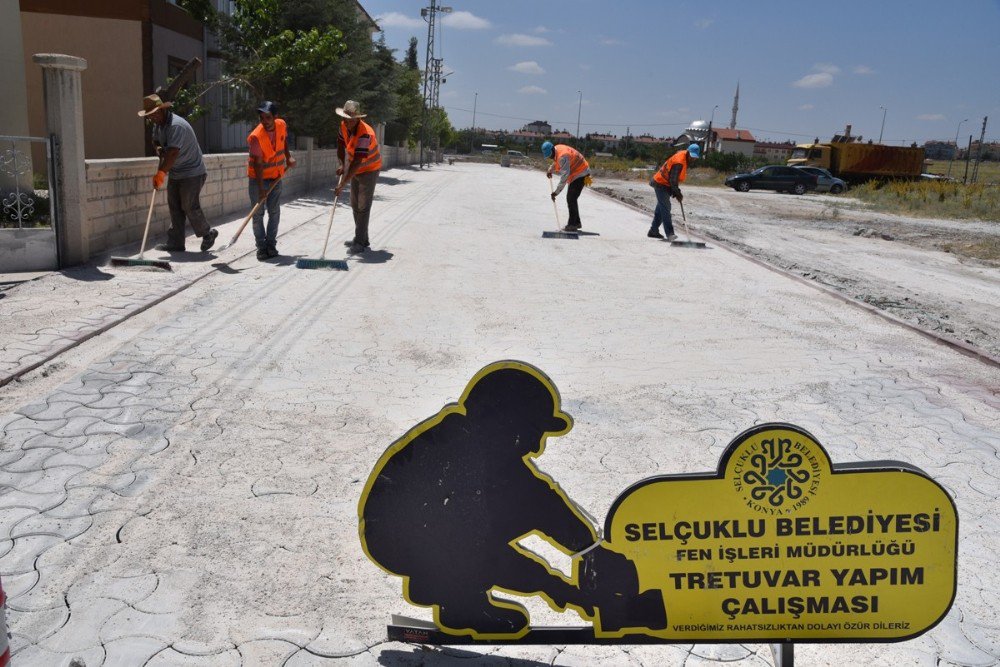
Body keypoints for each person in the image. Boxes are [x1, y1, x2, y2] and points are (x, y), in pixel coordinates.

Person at [359, 364, 600, 635]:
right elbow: (482, 550)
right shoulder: (460, 454)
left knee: (510, 506)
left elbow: (543, 504)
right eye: (533, 431)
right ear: (507, 422)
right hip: (394, 538)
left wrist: (589, 550)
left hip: (422, 531)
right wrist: (551, 585)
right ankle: (460, 604)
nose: (535, 446)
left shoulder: (484, 449)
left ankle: (445, 586)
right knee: (474, 525)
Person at [138, 94, 217, 253]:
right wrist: (159, 148)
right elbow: (157, 142)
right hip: (176, 172)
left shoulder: (176, 126)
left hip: (192, 172)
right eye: (150, 115)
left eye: (155, 113)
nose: (153, 117)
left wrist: (161, 173)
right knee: (174, 206)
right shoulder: (158, 125)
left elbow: (173, 153)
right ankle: (176, 243)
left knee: (188, 205)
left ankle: (207, 233)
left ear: (162, 110)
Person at [247, 101, 295, 260]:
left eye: (267, 117)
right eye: (261, 117)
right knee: (258, 214)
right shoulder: (256, 137)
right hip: (258, 180)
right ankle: (261, 247)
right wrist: (261, 190)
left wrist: (289, 157)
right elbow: (258, 164)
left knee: (274, 212)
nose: (264, 121)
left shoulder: (281, 125)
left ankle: (271, 245)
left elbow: (284, 140)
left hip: (276, 177)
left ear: (275, 117)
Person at [335, 100, 382, 254]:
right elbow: (341, 147)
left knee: (363, 206)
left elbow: (357, 162)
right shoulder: (343, 126)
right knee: (355, 204)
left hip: (370, 169)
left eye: (349, 119)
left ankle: (360, 242)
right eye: (344, 118)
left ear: (357, 119)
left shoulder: (365, 133)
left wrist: (342, 184)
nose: (346, 122)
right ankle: (361, 238)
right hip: (356, 169)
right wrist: (342, 164)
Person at [648, 142, 700, 240]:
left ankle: (653, 231)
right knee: (666, 208)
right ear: (688, 152)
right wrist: (677, 193)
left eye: (695, 157)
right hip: (660, 183)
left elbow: (674, 179)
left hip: (665, 184)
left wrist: (677, 192)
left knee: (661, 209)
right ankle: (670, 234)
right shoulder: (679, 162)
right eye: (692, 156)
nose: (693, 159)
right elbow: (673, 180)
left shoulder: (684, 157)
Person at [542, 141, 590, 232]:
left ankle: (572, 224)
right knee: (572, 198)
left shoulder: (563, 156)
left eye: (550, 155)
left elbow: (564, 177)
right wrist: (550, 170)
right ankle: (576, 222)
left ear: (552, 150)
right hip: (578, 172)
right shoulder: (557, 149)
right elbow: (556, 161)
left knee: (571, 198)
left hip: (582, 173)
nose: (550, 157)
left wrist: (556, 192)